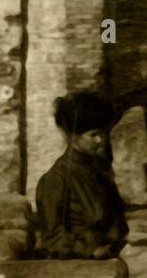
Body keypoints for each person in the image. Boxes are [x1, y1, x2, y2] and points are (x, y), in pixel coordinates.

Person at [35, 91, 128, 259]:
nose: (100, 140)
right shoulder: (55, 179)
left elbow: (117, 216)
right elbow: (52, 238)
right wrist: (90, 251)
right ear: (73, 136)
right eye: (93, 135)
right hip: (78, 266)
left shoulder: (99, 168)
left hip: (110, 258)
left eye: (102, 133)